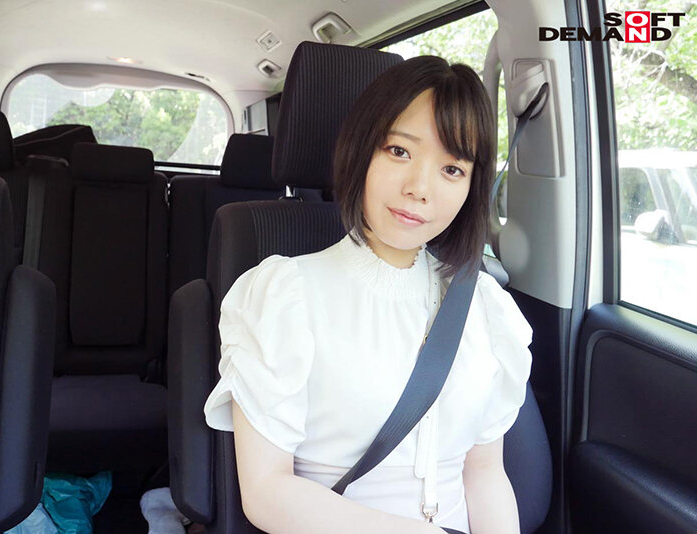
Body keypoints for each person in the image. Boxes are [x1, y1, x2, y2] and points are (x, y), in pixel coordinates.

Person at [203, 55, 532, 534]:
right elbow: (266, 491)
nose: (420, 188)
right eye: (399, 151)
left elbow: (483, 474)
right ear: (361, 150)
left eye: (452, 169)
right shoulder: (284, 297)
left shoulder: (486, 306)